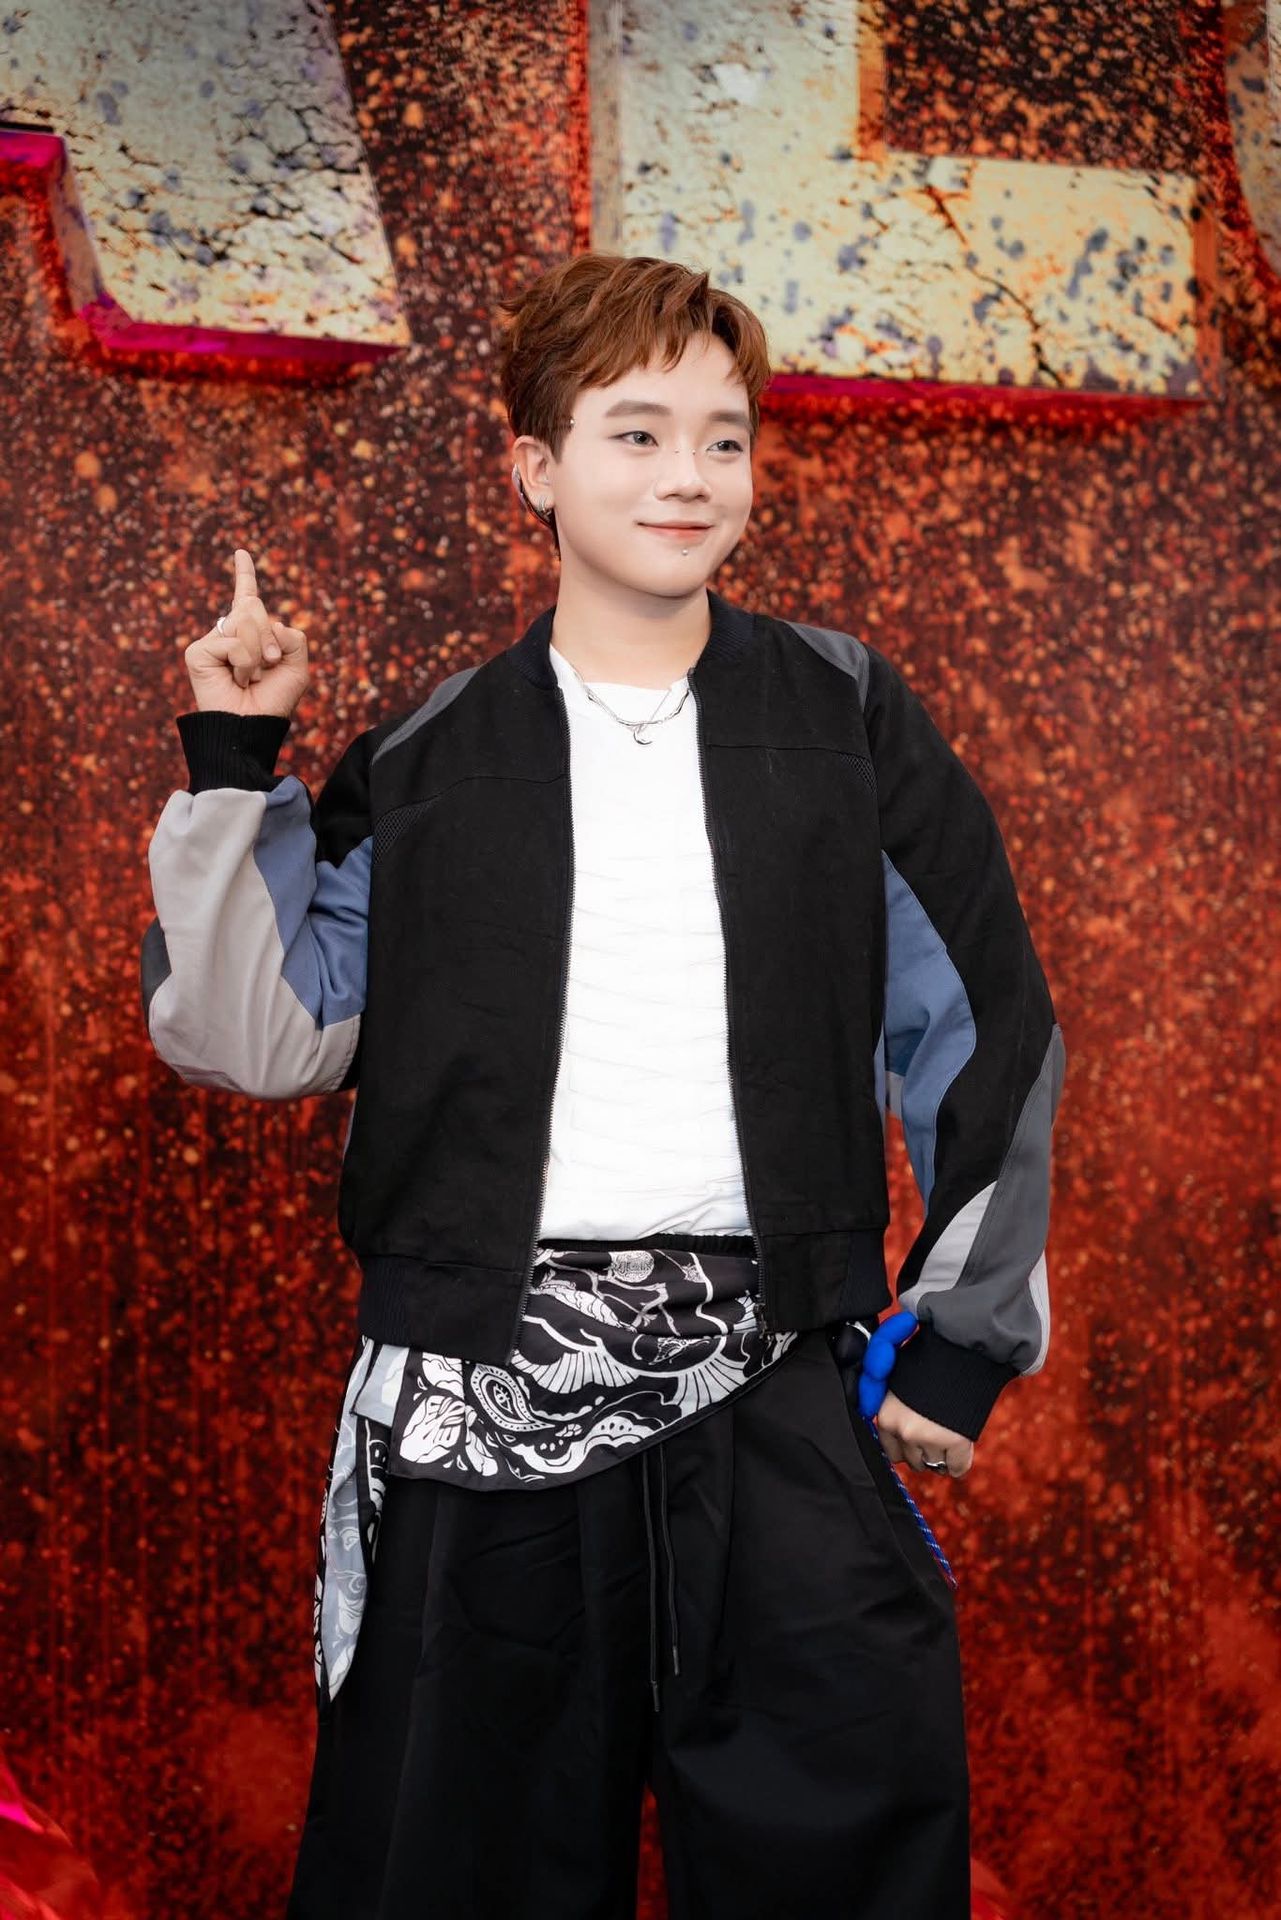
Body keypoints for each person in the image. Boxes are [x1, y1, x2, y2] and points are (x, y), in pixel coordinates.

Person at [141, 251, 1065, 1920]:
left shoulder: (846, 715)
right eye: (634, 434)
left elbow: (986, 1024)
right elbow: (261, 1036)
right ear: (536, 469)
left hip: (784, 1384)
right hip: (476, 1398)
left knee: (843, 1866)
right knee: (451, 1877)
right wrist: (235, 758)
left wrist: (962, 1340)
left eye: (723, 438)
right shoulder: (427, 756)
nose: (686, 476)